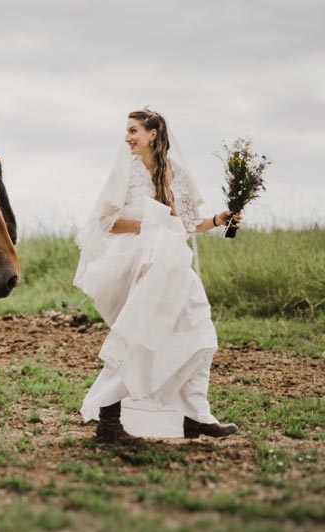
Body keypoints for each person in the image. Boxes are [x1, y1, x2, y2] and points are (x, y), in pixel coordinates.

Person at [74, 108, 240, 443]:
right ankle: (109, 421)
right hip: (141, 265)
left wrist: (219, 219)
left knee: (200, 331)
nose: (127, 137)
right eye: (127, 131)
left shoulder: (175, 172)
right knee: (138, 338)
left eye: (133, 130)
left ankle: (196, 415)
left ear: (153, 134)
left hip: (174, 263)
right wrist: (148, 224)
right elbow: (105, 221)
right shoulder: (127, 173)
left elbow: (190, 223)